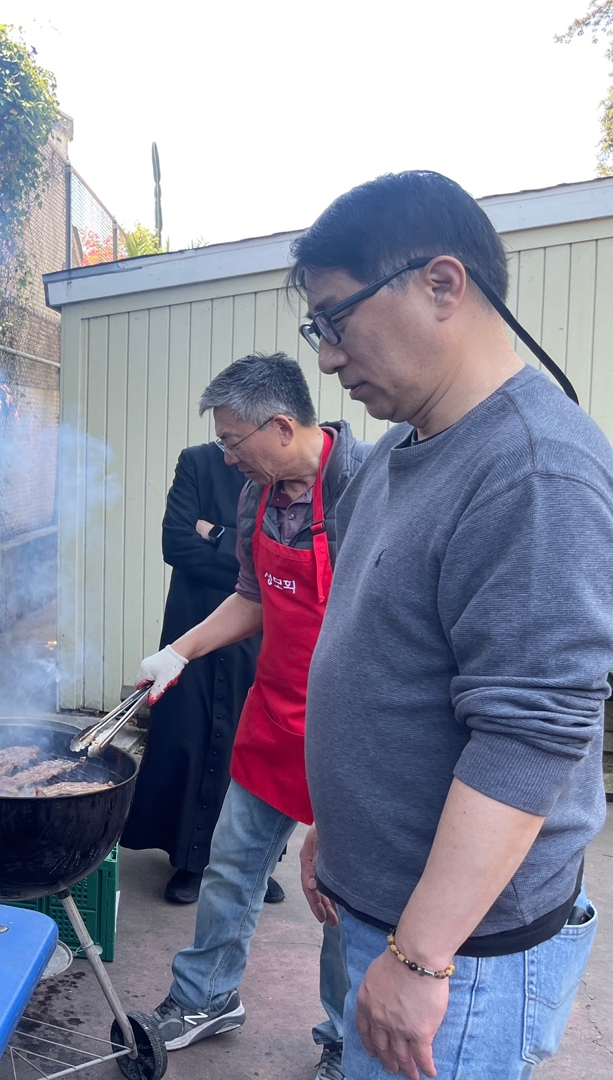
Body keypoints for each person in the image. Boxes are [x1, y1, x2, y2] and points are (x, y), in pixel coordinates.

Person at [294, 171, 610, 1080]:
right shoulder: (399, 450)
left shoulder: (534, 470)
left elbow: (530, 736)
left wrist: (423, 954)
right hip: (388, 906)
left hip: (462, 953)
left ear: (442, 284)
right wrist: (337, 830)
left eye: (335, 320)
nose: (326, 358)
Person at [138, 353, 370, 1080]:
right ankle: (205, 997)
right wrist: (179, 650)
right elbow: (253, 595)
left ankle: (341, 1039)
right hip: (273, 712)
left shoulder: (370, 488)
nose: (227, 454)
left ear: (279, 426)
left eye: (234, 440)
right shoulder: (258, 495)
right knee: (231, 862)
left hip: (355, 727)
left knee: (341, 895)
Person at [122, 441, 261, 905]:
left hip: (254, 628)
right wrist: (248, 558)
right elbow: (175, 545)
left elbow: (280, 557)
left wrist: (217, 535)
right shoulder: (197, 462)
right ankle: (190, 860)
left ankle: (249, 860)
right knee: (189, 735)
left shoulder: (280, 470)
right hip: (193, 622)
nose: (231, 450)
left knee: (249, 741)